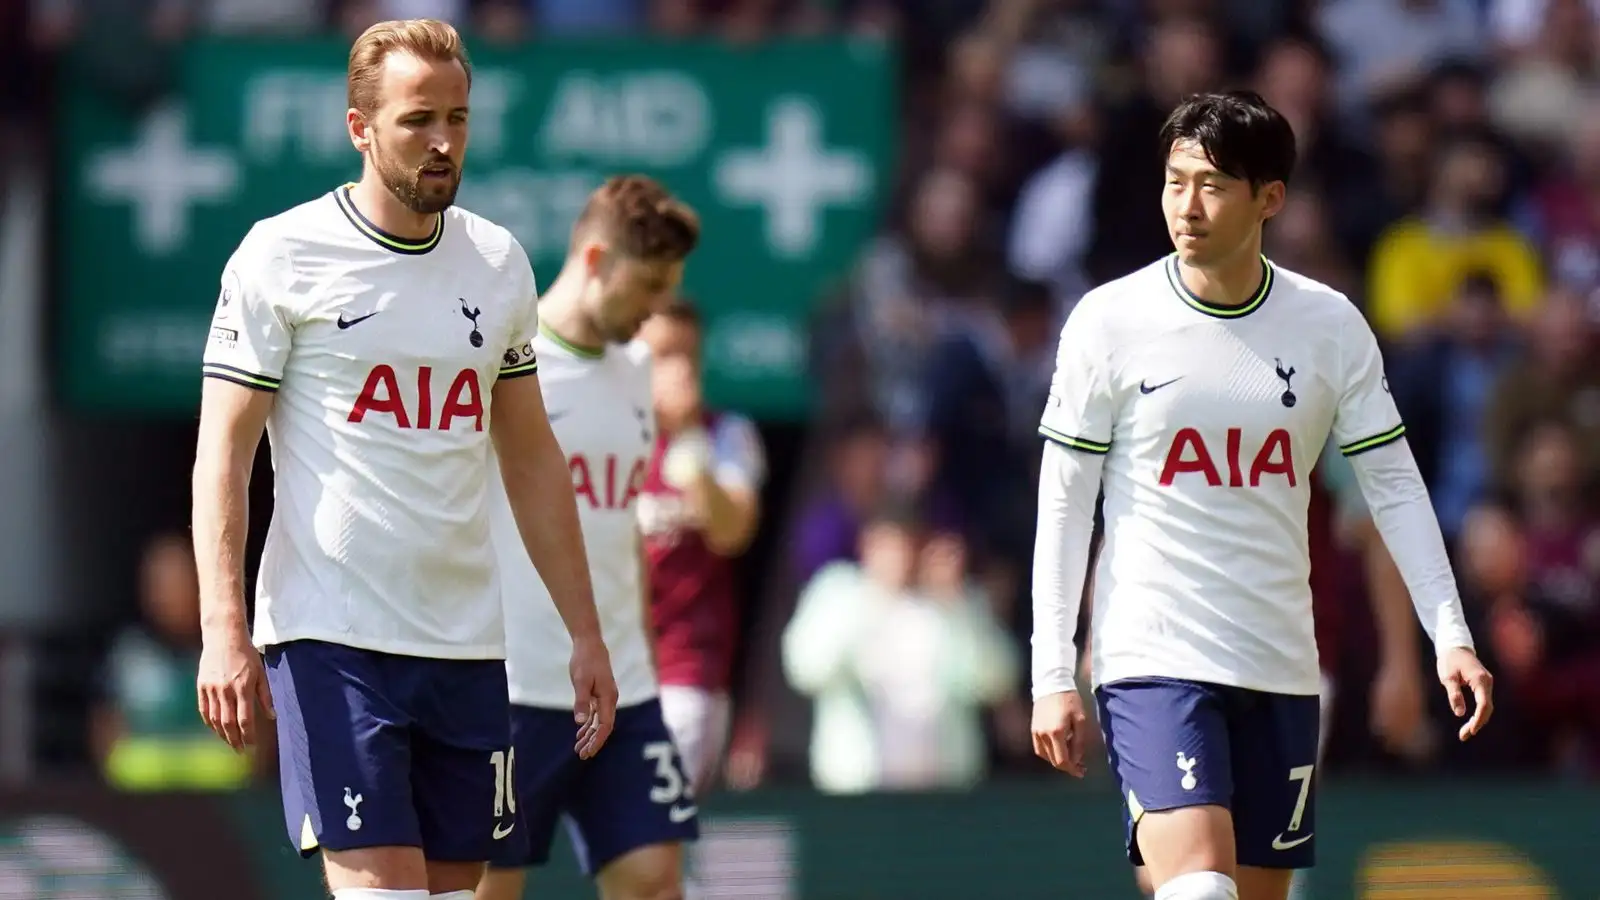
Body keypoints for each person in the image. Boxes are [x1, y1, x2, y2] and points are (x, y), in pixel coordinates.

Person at [1028, 91, 1495, 900]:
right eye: (1176, 182)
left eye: (1212, 184)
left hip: (1281, 662)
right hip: (1153, 656)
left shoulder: (1329, 326)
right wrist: (1051, 673)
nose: (1188, 205)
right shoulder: (1109, 322)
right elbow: (1066, 504)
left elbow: (1392, 484)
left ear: (1269, 198)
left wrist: (1448, 633)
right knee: (1201, 889)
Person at [192, 20, 619, 900]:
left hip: (466, 648)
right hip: (333, 639)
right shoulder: (284, 255)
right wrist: (222, 629)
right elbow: (224, 455)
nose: (442, 142)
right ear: (360, 128)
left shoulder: (497, 263)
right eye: (418, 119)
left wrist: (585, 630)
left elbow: (533, 459)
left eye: (458, 119)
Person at [476, 174, 702, 900]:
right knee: (489, 888)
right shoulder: (504, 365)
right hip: (515, 686)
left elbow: (623, 531)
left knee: (652, 877)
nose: (653, 313)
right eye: (647, 288)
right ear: (596, 258)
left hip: (623, 689)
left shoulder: (638, 372)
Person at [636, 300, 766, 796]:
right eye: (663, 354)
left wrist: (688, 439)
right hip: (588, 673)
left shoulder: (727, 435)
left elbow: (732, 531)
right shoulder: (593, 434)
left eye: (689, 356)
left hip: (684, 673)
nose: (679, 370)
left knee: (650, 839)